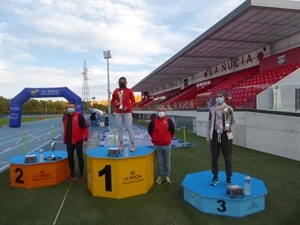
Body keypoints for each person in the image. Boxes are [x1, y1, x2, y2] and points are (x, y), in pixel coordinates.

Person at [206, 90, 236, 186]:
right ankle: (215, 177)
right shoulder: (212, 109)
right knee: (214, 157)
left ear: (224, 98)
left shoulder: (229, 109)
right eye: (217, 96)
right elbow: (209, 123)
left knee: (228, 157)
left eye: (220, 96)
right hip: (214, 135)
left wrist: (231, 130)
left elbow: (233, 122)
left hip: (226, 135)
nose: (218, 98)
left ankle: (228, 178)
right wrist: (208, 136)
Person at [148, 105, 175, 184]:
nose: (161, 112)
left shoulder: (169, 121)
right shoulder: (153, 122)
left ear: (165, 112)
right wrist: (155, 138)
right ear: (157, 112)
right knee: (160, 162)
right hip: (157, 145)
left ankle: (167, 176)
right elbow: (150, 131)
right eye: (160, 110)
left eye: (163, 110)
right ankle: (160, 176)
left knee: (167, 162)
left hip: (167, 145)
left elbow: (172, 131)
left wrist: (168, 139)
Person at [63, 101, 89, 183]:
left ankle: (81, 175)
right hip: (69, 141)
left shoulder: (79, 116)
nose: (70, 108)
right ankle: (72, 174)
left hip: (78, 141)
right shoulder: (65, 117)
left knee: (80, 157)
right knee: (70, 158)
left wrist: (85, 139)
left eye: (72, 107)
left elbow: (85, 128)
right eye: (69, 107)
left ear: (75, 108)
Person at [111, 77, 136, 151]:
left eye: (123, 82)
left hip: (127, 112)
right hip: (118, 112)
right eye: (120, 82)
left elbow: (133, 101)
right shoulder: (116, 91)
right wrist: (116, 104)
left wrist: (128, 107)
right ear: (118, 83)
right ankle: (121, 144)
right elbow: (112, 101)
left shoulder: (129, 91)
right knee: (119, 128)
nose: (122, 83)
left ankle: (132, 144)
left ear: (126, 82)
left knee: (129, 128)